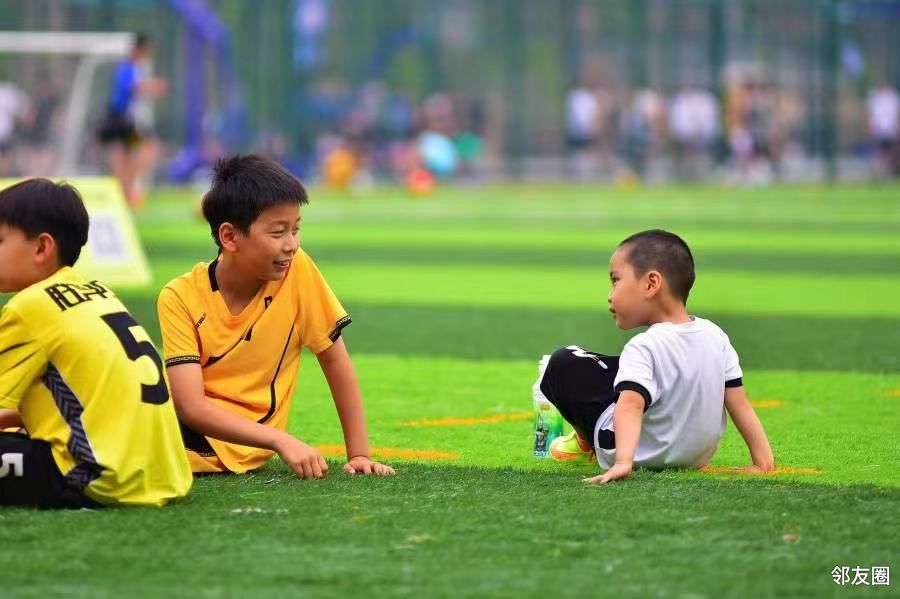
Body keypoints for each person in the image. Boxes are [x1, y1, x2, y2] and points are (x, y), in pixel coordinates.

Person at [158, 154, 395, 479]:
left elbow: (334, 361)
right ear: (229, 237)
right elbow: (191, 407)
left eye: (295, 229)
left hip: (240, 443)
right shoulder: (178, 296)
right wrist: (280, 440)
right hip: (189, 428)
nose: (291, 245)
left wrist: (359, 454)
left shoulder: (298, 271)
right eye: (278, 232)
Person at [0, 178, 192, 507]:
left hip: (94, 475)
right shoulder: (97, 291)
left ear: (42, 248)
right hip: (163, 475)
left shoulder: (29, 307)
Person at [536, 229, 774, 483]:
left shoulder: (643, 346)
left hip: (635, 452)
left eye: (616, 281)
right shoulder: (716, 336)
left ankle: (584, 442)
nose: (610, 295)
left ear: (651, 284)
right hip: (694, 457)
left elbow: (631, 405)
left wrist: (623, 462)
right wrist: (763, 461)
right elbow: (739, 402)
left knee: (561, 362)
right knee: (623, 368)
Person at [97, 33, 167, 210]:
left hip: (127, 123)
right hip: (119, 121)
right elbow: (133, 87)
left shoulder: (134, 68)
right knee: (130, 156)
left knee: (135, 155)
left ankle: (126, 193)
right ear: (139, 49)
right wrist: (154, 85)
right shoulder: (127, 67)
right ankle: (124, 194)